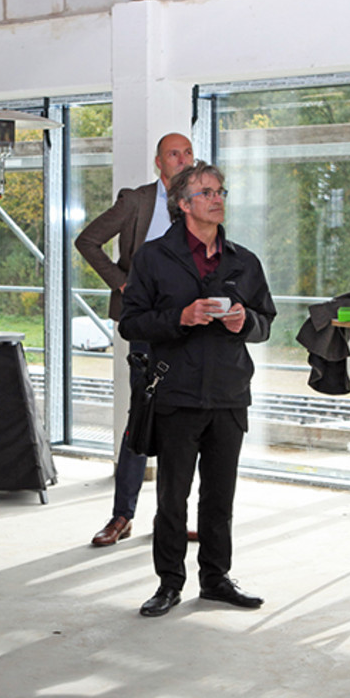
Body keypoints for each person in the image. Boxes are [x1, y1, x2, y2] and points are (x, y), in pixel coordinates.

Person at [119, 162, 277, 617]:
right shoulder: (152, 258)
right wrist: (180, 318)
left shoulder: (244, 261)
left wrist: (244, 320)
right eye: (207, 192)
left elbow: (265, 323)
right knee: (172, 497)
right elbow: (131, 323)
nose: (217, 198)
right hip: (177, 394)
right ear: (184, 204)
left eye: (220, 191)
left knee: (219, 496)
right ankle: (169, 583)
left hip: (229, 394)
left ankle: (216, 578)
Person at [75, 132, 195, 547]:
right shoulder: (137, 201)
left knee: (185, 423)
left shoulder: (200, 202)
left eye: (188, 153)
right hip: (145, 325)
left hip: (189, 328)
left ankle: (173, 519)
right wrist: (123, 283)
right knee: (141, 419)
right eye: (173, 154)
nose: (182, 160)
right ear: (158, 163)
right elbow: (87, 240)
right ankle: (121, 516)